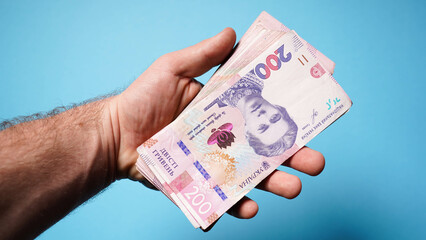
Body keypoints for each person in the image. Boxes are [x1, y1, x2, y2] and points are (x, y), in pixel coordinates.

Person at [0, 28, 325, 239]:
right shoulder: (258, 78)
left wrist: (110, 136)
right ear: (278, 108)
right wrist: (111, 127)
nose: (265, 118)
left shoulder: (220, 122)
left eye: (264, 128)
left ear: (251, 136)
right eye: (274, 118)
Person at [212, 69, 298, 157]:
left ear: (247, 132)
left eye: (262, 127)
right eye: (274, 117)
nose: (263, 116)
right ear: (278, 108)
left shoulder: (215, 104)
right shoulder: (261, 71)